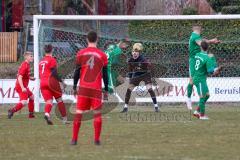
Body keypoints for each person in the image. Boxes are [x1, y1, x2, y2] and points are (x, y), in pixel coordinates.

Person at [71, 31, 108, 145]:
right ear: (97, 39)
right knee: (97, 113)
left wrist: (74, 86)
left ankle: (74, 139)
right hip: (96, 88)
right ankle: (96, 140)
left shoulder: (81, 53)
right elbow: (105, 74)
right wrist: (106, 88)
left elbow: (77, 72)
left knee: (79, 112)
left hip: (84, 88)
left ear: (87, 39)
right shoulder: (102, 55)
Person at [186, 24, 221, 110]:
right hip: (194, 60)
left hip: (199, 57)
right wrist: (212, 41)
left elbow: (203, 41)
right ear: (200, 29)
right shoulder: (195, 36)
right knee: (192, 80)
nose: (202, 31)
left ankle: (214, 70)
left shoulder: (196, 35)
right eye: (201, 29)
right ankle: (188, 98)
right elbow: (202, 43)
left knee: (210, 56)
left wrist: (211, 41)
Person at [121, 43, 159, 113]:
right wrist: (130, 79)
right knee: (129, 89)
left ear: (139, 53)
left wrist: (153, 78)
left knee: (149, 89)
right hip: (136, 75)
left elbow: (151, 67)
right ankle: (125, 107)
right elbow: (130, 71)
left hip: (145, 74)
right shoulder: (130, 60)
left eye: (136, 52)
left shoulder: (143, 60)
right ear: (132, 53)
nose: (135, 53)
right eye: (133, 52)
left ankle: (156, 106)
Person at [193, 41, 222, 120]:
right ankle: (202, 116)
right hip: (199, 79)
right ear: (208, 48)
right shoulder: (207, 58)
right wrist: (216, 68)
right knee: (202, 97)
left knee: (207, 95)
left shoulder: (197, 55)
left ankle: (197, 111)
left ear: (200, 47)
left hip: (199, 78)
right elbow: (210, 71)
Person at [39, 44, 68, 125]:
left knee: (49, 101)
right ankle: (65, 119)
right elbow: (54, 73)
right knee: (59, 100)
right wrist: (61, 82)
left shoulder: (41, 61)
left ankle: (47, 114)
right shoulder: (52, 60)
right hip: (51, 82)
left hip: (42, 83)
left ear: (45, 51)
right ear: (52, 50)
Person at [8, 52, 35, 119]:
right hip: (21, 86)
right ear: (26, 57)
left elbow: (23, 75)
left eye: (32, 56)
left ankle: (31, 115)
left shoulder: (27, 65)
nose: (32, 57)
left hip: (23, 86)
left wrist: (30, 78)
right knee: (24, 102)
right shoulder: (25, 65)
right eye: (31, 56)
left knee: (32, 97)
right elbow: (19, 77)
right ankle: (12, 110)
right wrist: (22, 87)